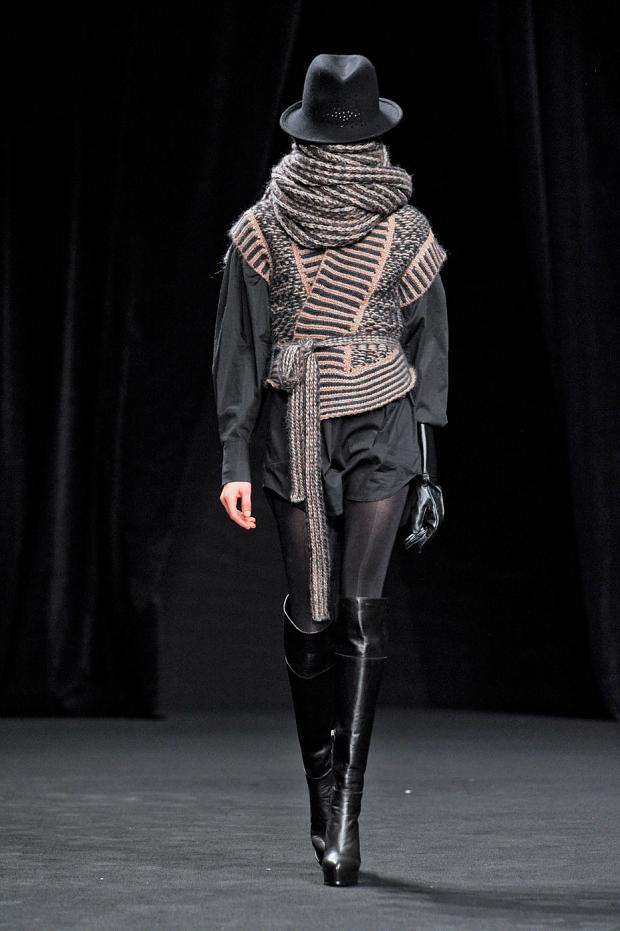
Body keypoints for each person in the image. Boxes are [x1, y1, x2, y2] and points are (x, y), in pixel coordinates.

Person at [212, 53, 448, 887]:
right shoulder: (263, 227)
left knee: (359, 612)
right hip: (297, 423)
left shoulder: (406, 229)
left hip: (382, 418)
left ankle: (347, 810)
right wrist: (234, 456)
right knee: (313, 618)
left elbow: (430, 343)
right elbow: (239, 347)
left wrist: (428, 463)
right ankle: (321, 789)